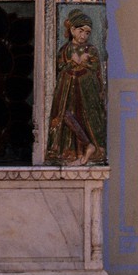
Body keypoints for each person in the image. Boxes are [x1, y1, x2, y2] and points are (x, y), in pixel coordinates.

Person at [45, 11, 105, 164]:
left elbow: (96, 67)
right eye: (81, 31)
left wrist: (83, 62)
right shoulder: (65, 49)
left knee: (86, 116)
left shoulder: (90, 50)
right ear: (72, 30)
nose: (84, 35)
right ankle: (74, 150)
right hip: (67, 89)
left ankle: (90, 149)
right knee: (64, 115)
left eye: (87, 32)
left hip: (86, 90)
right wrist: (73, 62)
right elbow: (60, 66)